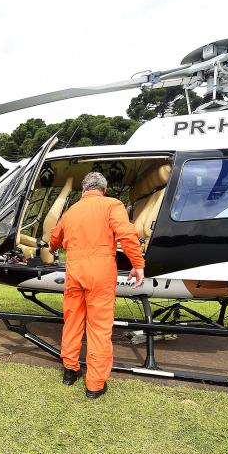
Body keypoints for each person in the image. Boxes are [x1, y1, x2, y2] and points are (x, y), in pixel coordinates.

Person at [49, 171, 145, 399]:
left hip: (74, 273)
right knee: (99, 329)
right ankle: (94, 385)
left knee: (72, 322)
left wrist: (53, 249)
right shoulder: (112, 204)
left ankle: (70, 371)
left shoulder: (72, 210)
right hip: (101, 274)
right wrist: (137, 264)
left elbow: (55, 237)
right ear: (104, 190)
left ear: (83, 190)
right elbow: (127, 234)